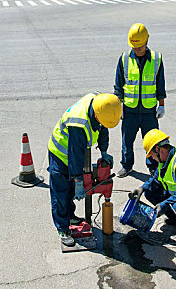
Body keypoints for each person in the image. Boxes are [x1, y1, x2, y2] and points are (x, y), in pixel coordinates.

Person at [47, 93, 122, 246]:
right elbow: (75, 155)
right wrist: (78, 180)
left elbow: (103, 128)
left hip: (73, 152)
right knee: (62, 192)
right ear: (96, 113)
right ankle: (63, 227)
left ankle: (70, 215)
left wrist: (103, 151)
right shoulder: (78, 125)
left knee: (70, 190)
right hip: (60, 153)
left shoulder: (102, 103)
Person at [114, 23, 166, 178]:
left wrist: (161, 105)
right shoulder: (124, 59)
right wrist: (118, 107)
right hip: (129, 110)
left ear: (147, 42)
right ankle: (127, 165)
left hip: (149, 110)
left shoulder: (156, 59)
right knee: (127, 141)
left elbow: (160, 84)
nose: (137, 50)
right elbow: (118, 86)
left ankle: (152, 166)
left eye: (140, 47)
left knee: (151, 142)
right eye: (134, 47)